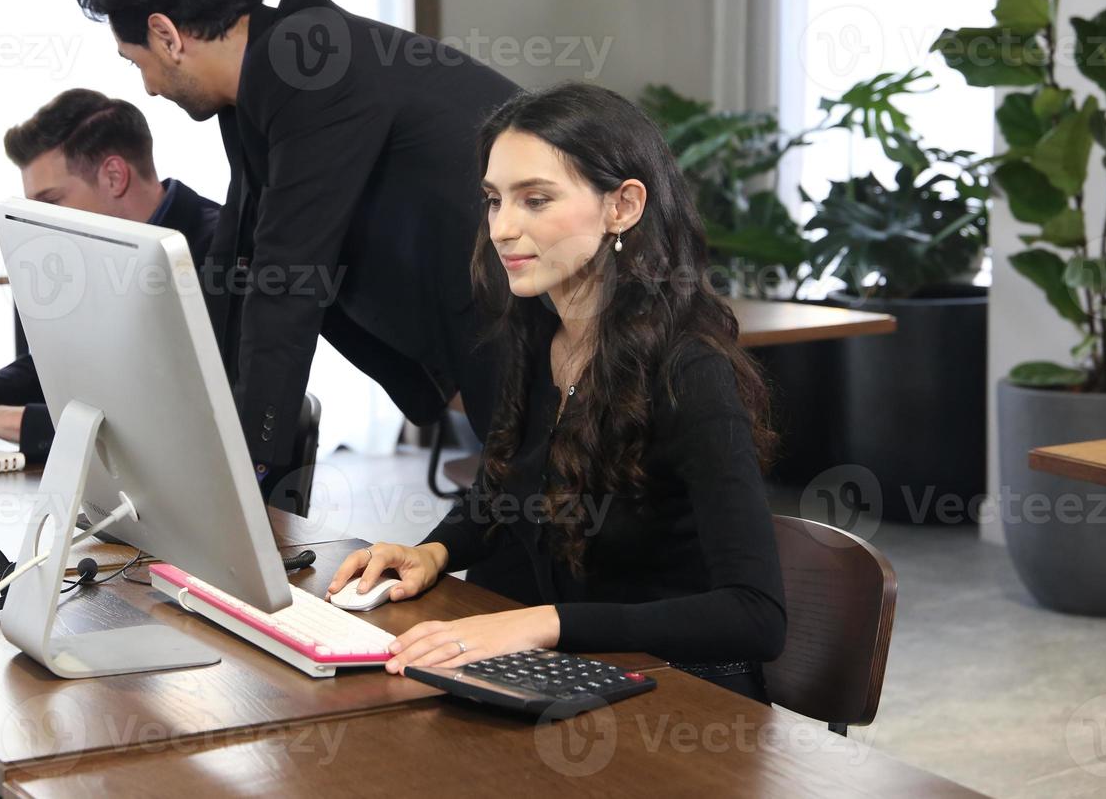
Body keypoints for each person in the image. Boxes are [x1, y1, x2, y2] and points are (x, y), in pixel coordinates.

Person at [324, 83, 787, 703]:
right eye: (494, 201)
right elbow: (505, 490)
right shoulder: (538, 332)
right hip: (575, 678)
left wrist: (544, 624)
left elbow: (755, 616)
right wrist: (435, 550)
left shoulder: (690, 370)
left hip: (684, 700)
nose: (503, 228)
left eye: (535, 200)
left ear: (622, 207)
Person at [73, 0, 518, 488]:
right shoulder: (266, 79)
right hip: (485, 322)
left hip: (544, 320)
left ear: (166, 34)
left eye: (139, 63)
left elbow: (286, 278)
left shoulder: (309, 66)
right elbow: (240, 259)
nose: (150, 87)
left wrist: (247, 468)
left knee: (528, 561)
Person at [0, 89, 220, 462]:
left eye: (51, 203)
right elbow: (59, 367)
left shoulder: (220, 255)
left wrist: (4, 422)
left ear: (114, 176)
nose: (40, 227)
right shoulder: (80, 254)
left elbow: (171, 424)